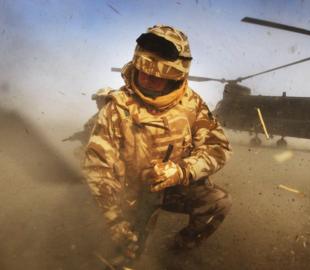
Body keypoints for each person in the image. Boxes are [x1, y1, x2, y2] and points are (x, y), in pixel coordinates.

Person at [83, 24, 232, 268]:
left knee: (219, 203)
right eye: (144, 73)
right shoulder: (117, 108)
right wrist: (113, 219)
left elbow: (219, 147)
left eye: (158, 78)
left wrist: (183, 170)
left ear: (175, 78)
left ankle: (176, 250)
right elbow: (97, 166)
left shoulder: (192, 104)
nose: (148, 80)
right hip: (130, 194)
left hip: (175, 186)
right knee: (126, 254)